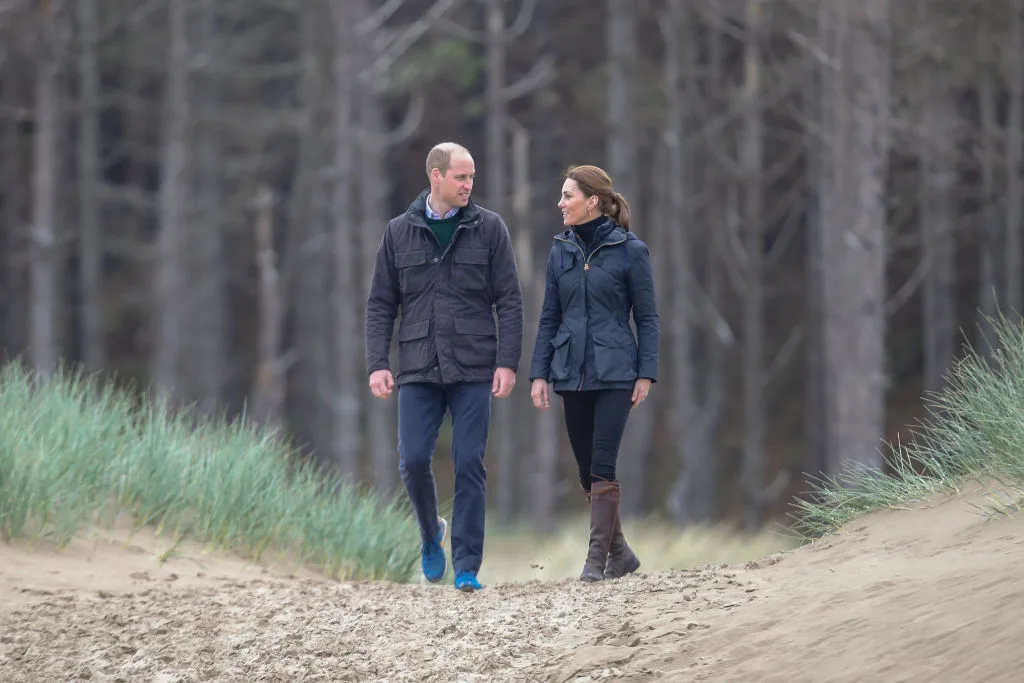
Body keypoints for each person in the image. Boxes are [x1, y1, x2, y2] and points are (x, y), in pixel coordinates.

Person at [365, 142, 523, 593]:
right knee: (413, 459)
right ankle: (431, 532)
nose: (469, 185)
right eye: (461, 177)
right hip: (417, 365)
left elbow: (509, 299)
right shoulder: (398, 232)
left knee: (469, 461)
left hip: (475, 365)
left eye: (472, 177)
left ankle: (468, 565)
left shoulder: (490, 228)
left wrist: (507, 362)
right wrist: (378, 363)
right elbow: (380, 304)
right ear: (436, 176)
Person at [528, 164, 659, 582]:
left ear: (592, 202)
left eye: (568, 196)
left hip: (617, 371)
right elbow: (549, 316)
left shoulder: (630, 250)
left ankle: (595, 561)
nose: (560, 203)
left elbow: (649, 318)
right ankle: (620, 553)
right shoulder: (559, 250)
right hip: (571, 372)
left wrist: (646, 372)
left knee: (603, 463)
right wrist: (539, 373)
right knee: (586, 470)